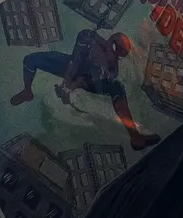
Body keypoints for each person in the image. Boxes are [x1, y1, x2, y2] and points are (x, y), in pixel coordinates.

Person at [9, 29, 159, 151]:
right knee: (31, 59)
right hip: (72, 66)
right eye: (113, 53)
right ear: (109, 44)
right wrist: (68, 80)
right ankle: (27, 91)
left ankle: (135, 136)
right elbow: (75, 59)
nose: (111, 59)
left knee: (117, 88)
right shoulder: (87, 37)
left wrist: (71, 87)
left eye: (117, 58)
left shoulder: (111, 70)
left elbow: (88, 80)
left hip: (90, 81)